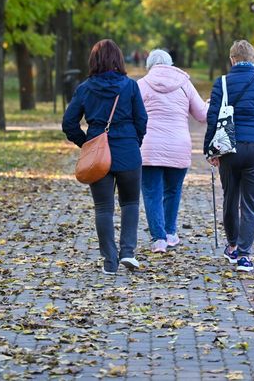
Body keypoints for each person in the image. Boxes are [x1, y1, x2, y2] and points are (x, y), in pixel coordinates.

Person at [62, 39, 148, 275]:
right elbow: (142, 120)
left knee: (103, 208)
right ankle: (128, 252)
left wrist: (87, 144)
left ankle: (110, 262)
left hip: (98, 157)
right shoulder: (130, 87)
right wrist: (134, 141)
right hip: (128, 151)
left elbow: (69, 123)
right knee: (130, 203)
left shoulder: (85, 88)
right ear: (118, 60)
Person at [203, 40, 254, 272]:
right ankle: (245, 256)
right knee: (251, 202)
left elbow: (213, 119)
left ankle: (232, 246)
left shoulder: (222, 83)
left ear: (232, 60)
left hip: (229, 147)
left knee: (231, 197)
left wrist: (210, 150)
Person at [138, 49, 208, 253]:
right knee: (173, 190)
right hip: (179, 145)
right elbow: (202, 115)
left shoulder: (141, 85)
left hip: (149, 146)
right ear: (170, 64)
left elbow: (130, 114)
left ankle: (158, 239)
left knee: (151, 193)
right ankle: (170, 233)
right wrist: (211, 103)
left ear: (149, 66)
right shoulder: (184, 84)